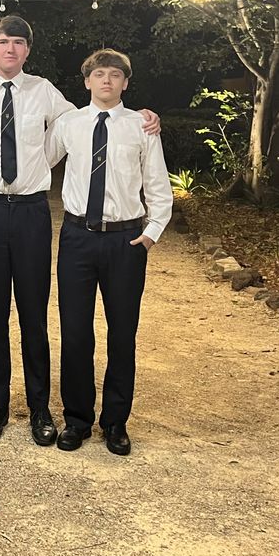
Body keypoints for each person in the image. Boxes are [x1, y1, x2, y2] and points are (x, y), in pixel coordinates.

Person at [0, 16, 158, 445]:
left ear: (27, 50)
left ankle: (40, 407)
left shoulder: (45, 92)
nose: (10, 49)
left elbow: (88, 120)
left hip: (31, 213)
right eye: (3, 42)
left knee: (34, 314)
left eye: (18, 42)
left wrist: (142, 117)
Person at [46, 49, 172, 456]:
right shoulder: (69, 124)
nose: (106, 80)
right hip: (77, 238)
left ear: (125, 83)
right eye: (99, 74)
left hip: (125, 241)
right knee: (75, 332)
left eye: (114, 75)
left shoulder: (141, 126)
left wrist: (150, 234)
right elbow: (37, 160)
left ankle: (116, 421)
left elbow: (157, 186)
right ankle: (77, 419)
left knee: (122, 333)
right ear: (86, 81)